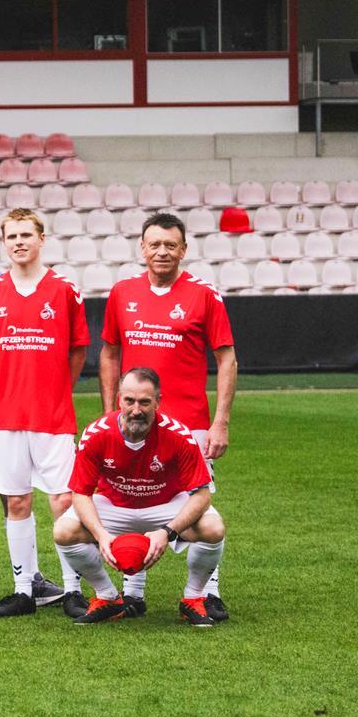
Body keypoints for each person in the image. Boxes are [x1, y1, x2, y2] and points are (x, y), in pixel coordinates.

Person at [100, 211, 237, 622]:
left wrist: (220, 421)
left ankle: (205, 593)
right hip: (133, 423)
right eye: (154, 244)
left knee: (199, 508)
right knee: (131, 498)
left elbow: (226, 359)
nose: (162, 251)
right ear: (142, 248)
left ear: (183, 250)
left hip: (190, 424)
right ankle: (132, 590)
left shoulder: (205, 295)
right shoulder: (122, 292)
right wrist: (110, 412)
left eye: (170, 245)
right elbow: (108, 353)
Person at [0, 209, 86, 618]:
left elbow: (77, 350)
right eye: (11, 236)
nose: (19, 242)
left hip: (52, 415)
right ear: (4, 243)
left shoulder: (64, 290)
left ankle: (73, 587)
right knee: (17, 502)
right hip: (5, 416)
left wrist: (57, 389)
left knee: (63, 501)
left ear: (42, 239)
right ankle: (25, 589)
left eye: (26, 234)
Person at [54, 367, 227, 627]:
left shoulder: (178, 434)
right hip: (115, 505)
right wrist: (101, 536)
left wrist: (167, 532)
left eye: (145, 402)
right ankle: (108, 597)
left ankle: (193, 598)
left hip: (165, 504)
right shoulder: (96, 433)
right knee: (64, 531)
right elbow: (81, 493)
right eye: (130, 401)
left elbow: (202, 495)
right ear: (119, 399)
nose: (136, 409)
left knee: (213, 529)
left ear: (158, 401)